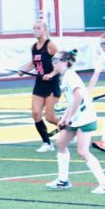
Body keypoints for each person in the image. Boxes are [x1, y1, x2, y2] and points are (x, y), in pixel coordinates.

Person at [45, 50, 105, 194]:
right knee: (61, 144)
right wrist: (64, 118)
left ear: (64, 62)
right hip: (75, 117)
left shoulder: (70, 76)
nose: (53, 63)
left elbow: (78, 96)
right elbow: (71, 102)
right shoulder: (63, 77)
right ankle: (63, 181)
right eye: (53, 61)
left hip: (84, 117)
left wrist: (69, 117)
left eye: (56, 60)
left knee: (82, 152)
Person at [19, 20, 61, 152]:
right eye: (34, 28)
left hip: (52, 84)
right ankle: (47, 143)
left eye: (38, 28)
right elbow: (34, 62)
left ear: (44, 30)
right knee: (36, 113)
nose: (35, 30)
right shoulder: (33, 47)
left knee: (50, 117)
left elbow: (61, 62)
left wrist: (52, 74)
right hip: (39, 84)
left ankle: (72, 128)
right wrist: (23, 69)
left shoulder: (50, 45)